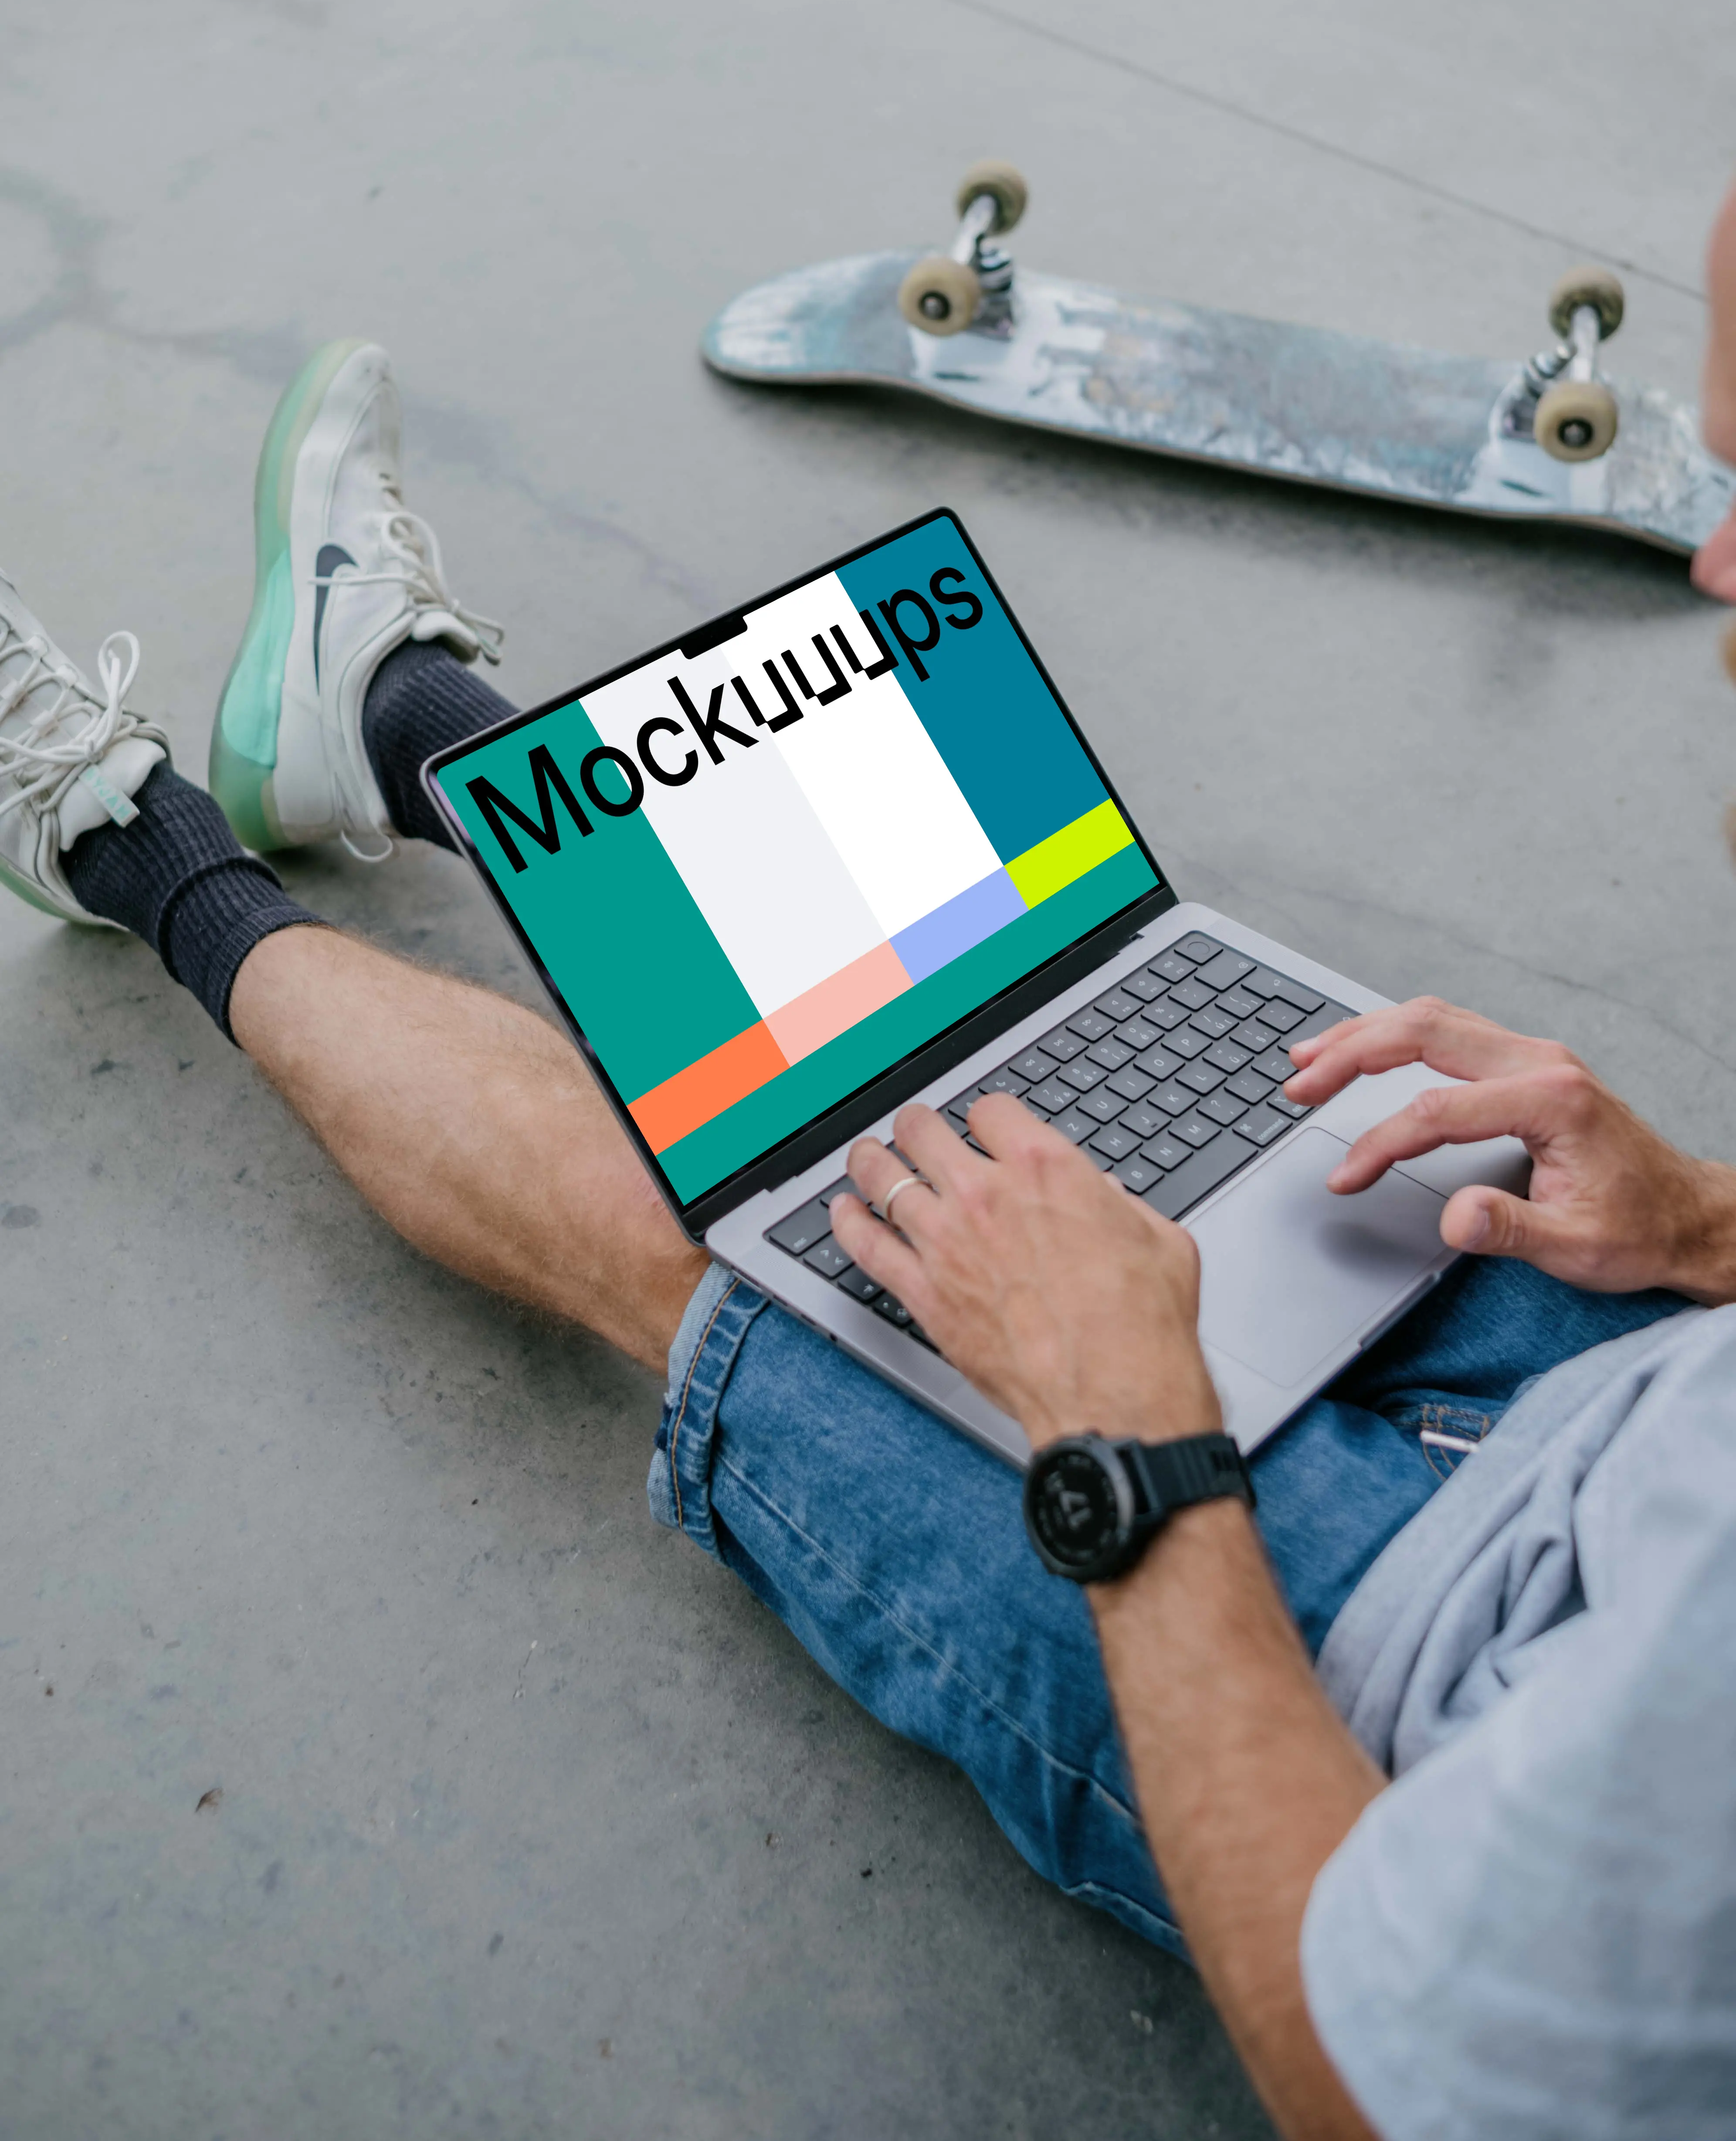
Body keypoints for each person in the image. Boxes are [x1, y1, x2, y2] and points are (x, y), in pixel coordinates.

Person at [4, 191, 1735, 2141]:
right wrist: (1713, 1225)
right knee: (942, 1019)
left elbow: (1383, 2069)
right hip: (1639, 1380)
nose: (1718, 552)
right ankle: (394, 726)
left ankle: (122, 838)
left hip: (1413, 1726)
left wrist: (1136, 1443)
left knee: (751, 1255)